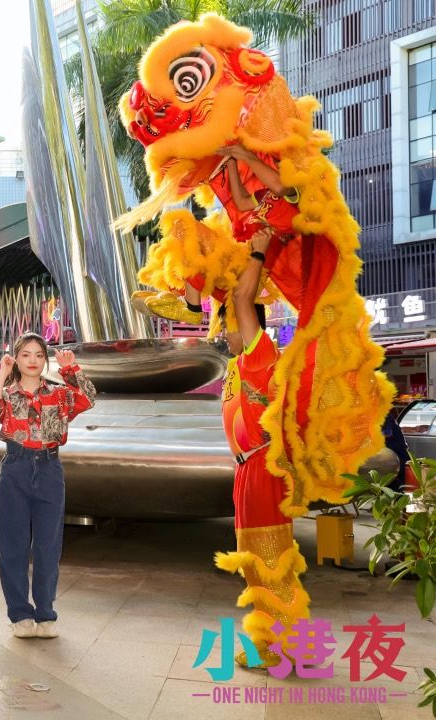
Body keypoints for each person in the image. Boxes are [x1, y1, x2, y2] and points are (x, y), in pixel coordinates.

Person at [213, 228, 309, 669]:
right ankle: (270, 642)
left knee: (270, 556)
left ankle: (283, 645)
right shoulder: (237, 363)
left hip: (264, 470)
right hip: (248, 470)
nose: (224, 326)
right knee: (257, 558)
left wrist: (260, 246)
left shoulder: (259, 351)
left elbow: (242, 297)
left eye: (230, 319)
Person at [0, 333, 96, 639]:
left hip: (49, 468)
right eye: (26, 355)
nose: (33, 361)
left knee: (48, 545)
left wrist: (72, 370)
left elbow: (88, 398)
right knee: (13, 545)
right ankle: (19, 614)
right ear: (16, 359)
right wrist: (3, 374)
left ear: (45, 360)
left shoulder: (58, 394)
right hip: (15, 467)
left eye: (39, 355)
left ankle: (46, 613)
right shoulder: (8, 394)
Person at [137, 139, 299, 326]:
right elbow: (241, 202)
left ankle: (191, 306)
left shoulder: (293, 192)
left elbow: (279, 186)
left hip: (250, 271)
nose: (272, 164)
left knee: (187, 227)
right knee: (181, 230)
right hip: (234, 264)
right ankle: (178, 295)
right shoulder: (264, 195)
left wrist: (246, 154)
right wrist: (230, 162)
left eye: (276, 161)